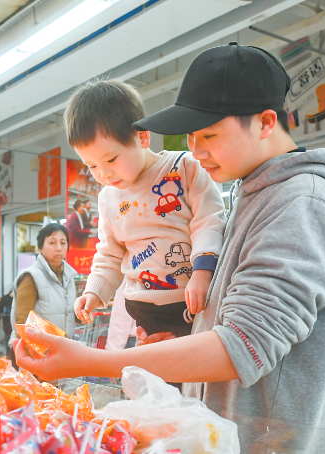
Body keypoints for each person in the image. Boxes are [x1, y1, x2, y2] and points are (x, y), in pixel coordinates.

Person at [15, 42, 325, 453]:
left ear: (265, 122)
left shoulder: (302, 203)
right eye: (192, 137)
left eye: (209, 135)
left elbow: (243, 345)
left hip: (275, 441)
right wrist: (177, 343)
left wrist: (91, 361)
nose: (195, 151)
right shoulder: (254, 193)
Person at [65, 78, 225, 347]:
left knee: (197, 365)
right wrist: (94, 292)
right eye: (91, 166)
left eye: (111, 159)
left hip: (193, 299)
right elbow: (109, 254)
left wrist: (202, 273)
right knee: (156, 369)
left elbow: (208, 222)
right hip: (142, 307)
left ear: (142, 137)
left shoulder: (185, 168)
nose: (104, 174)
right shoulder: (108, 198)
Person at [8, 223, 77, 365]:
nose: (58, 248)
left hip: (59, 352)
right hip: (34, 355)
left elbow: (66, 312)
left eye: (63, 243)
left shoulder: (69, 278)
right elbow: (22, 320)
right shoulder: (31, 277)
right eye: (52, 243)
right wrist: (28, 356)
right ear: (41, 247)